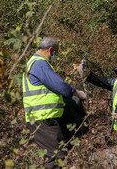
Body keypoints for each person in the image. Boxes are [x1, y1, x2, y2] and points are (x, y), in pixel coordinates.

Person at [22, 37, 87, 168]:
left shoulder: (34, 62)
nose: (56, 56)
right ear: (50, 50)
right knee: (56, 157)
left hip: (43, 117)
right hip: (43, 118)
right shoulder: (39, 63)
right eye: (56, 53)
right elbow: (60, 86)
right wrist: (77, 93)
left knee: (57, 154)